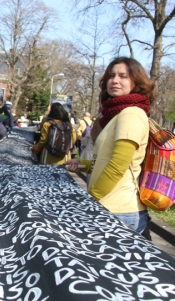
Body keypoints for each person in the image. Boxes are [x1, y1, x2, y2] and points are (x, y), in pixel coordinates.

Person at [64, 56, 154, 234]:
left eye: (123, 76)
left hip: (119, 210)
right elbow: (105, 161)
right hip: (111, 208)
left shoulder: (131, 114)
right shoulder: (117, 115)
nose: (115, 80)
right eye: (111, 76)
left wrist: (91, 199)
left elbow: (118, 165)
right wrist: (82, 165)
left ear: (137, 81)